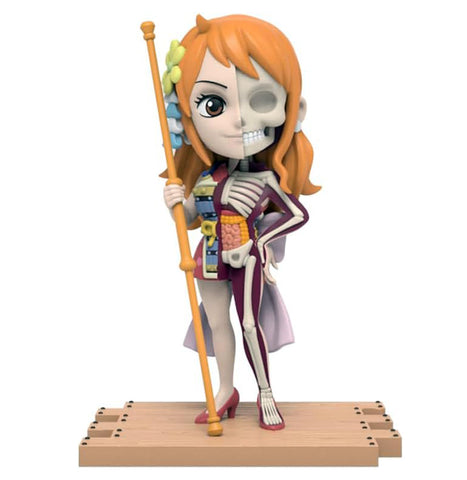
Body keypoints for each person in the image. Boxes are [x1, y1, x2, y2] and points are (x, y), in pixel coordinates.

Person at [162, 14, 320, 430]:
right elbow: (191, 217)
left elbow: (297, 214)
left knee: (249, 323)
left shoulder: (266, 180)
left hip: (246, 258)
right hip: (209, 257)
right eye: (213, 105)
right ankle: (226, 390)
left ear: (293, 109)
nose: (239, 121)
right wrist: (175, 202)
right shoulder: (206, 179)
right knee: (217, 324)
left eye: (260, 100)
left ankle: (265, 392)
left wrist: (261, 243)